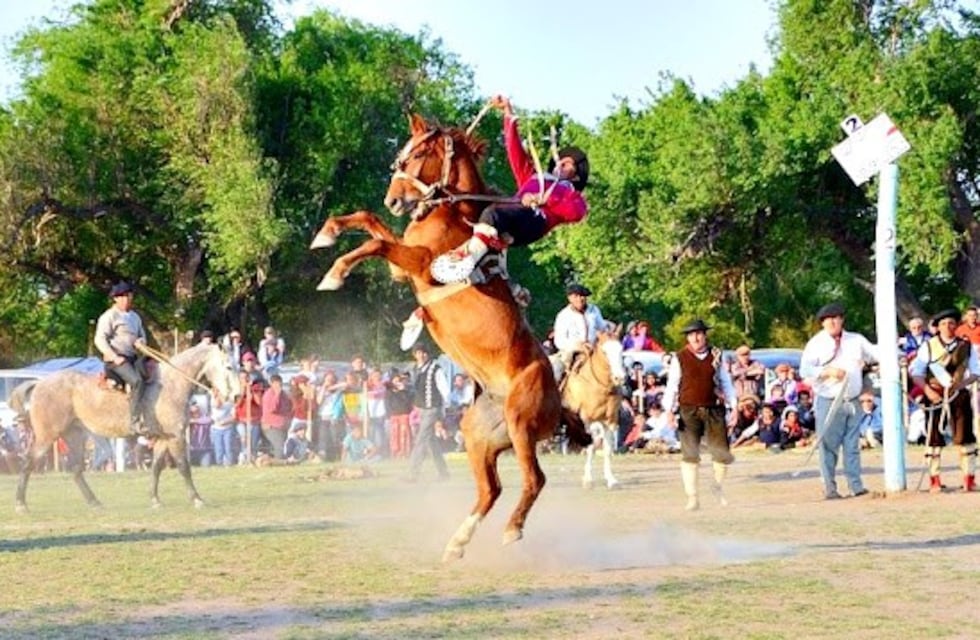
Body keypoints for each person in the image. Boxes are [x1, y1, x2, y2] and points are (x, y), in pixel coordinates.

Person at [430, 94, 589, 284]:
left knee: (494, 213)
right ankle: (490, 257)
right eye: (560, 161)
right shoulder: (532, 176)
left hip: (535, 222)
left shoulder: (571, 193)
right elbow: (514, 149)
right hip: (514, 214)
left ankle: (468, 259)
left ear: (576, 175)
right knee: (475, 207)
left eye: (568, 164)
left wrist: (543, 199)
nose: (561, 164)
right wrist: (508, 111)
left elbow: (576, 213)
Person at [799, 302, 878, 500]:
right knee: (828, 445)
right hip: (829, 399)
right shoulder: (816, 344)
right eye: (829, 319)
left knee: (852, 445)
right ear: (823, 323)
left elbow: (875, 353)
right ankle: (830, 487)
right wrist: (827, 372)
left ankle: (856, 486)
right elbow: (805, 370)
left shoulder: (856, 340)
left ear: (842, 320)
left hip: (852, 398)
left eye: (837, 318)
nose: (834, 322)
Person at [661, 319, 738, 511]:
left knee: (721, 453)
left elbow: (725, 382)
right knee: (690, 455)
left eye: (699, 333)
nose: (695, 337)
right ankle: (693, 497)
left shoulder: (717, 355)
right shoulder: (680, 357)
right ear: (687, 337)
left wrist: (734, 406)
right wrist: (668, 410)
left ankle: (717, 488)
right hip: (688, 410)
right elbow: (672, 385)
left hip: (714, 408)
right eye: (691, 334)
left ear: (705, 335)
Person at [910, 308, 980, 492]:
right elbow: (917, 372)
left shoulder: (966, 346)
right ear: (937, 327)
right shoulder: (928, 346)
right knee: (933, 436)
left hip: (958, 394)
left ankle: (969, 478)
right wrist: (928, 391)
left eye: (951, 323)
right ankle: (934, 480)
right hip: (934, 394)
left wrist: (960, 384)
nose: (947, 327)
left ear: (956, 325)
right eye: (943, 324)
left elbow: (975, 372)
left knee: (965, 436)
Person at [94, 281, 150, 435]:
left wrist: (141, 342)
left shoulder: (135, 317)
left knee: (151, 378)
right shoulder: (109, 316)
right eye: (123, 296)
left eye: (129, 295)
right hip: (116, 360)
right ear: (115, 299)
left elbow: (142, 336)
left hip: (133, 357)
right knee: (137, 381)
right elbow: (99, 339)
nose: (126, 299)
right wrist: (114, 356)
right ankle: (134, 422)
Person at [405, 344, 451, 482]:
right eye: (419, 353)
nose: (422, 355)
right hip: (422, 408)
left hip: (432, 409)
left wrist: (444, 409)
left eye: (424, 352)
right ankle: (443, 473)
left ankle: (413, 474)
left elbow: (445, 389)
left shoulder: (435, 369)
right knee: (431, 442)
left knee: (421, 439)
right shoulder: (415, 369)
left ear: (428, 354)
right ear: (415, 355)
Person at [552, 283, 606, 380]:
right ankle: (556, 392)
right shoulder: (563, 315)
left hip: (593, 349)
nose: (580, 299)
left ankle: (625, 390)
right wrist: (577, 345)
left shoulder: (594, 310)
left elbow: (602, 327)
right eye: (576, 296)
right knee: (557, 370)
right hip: (571, 352)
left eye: (583, 296)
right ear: (570, 298)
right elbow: (559, 340)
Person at [260, 374, 292, 460]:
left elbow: (288, 407)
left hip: (282, 426)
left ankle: (272, 461)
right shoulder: (268, 394)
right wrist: (277, 395)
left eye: (280, 383)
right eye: (276, 383)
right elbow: (272, 409)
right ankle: (278, 463)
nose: (279, 386)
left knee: (280, 446)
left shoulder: (284, 394)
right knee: (279, 447)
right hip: (271, 426)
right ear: (271, 383)